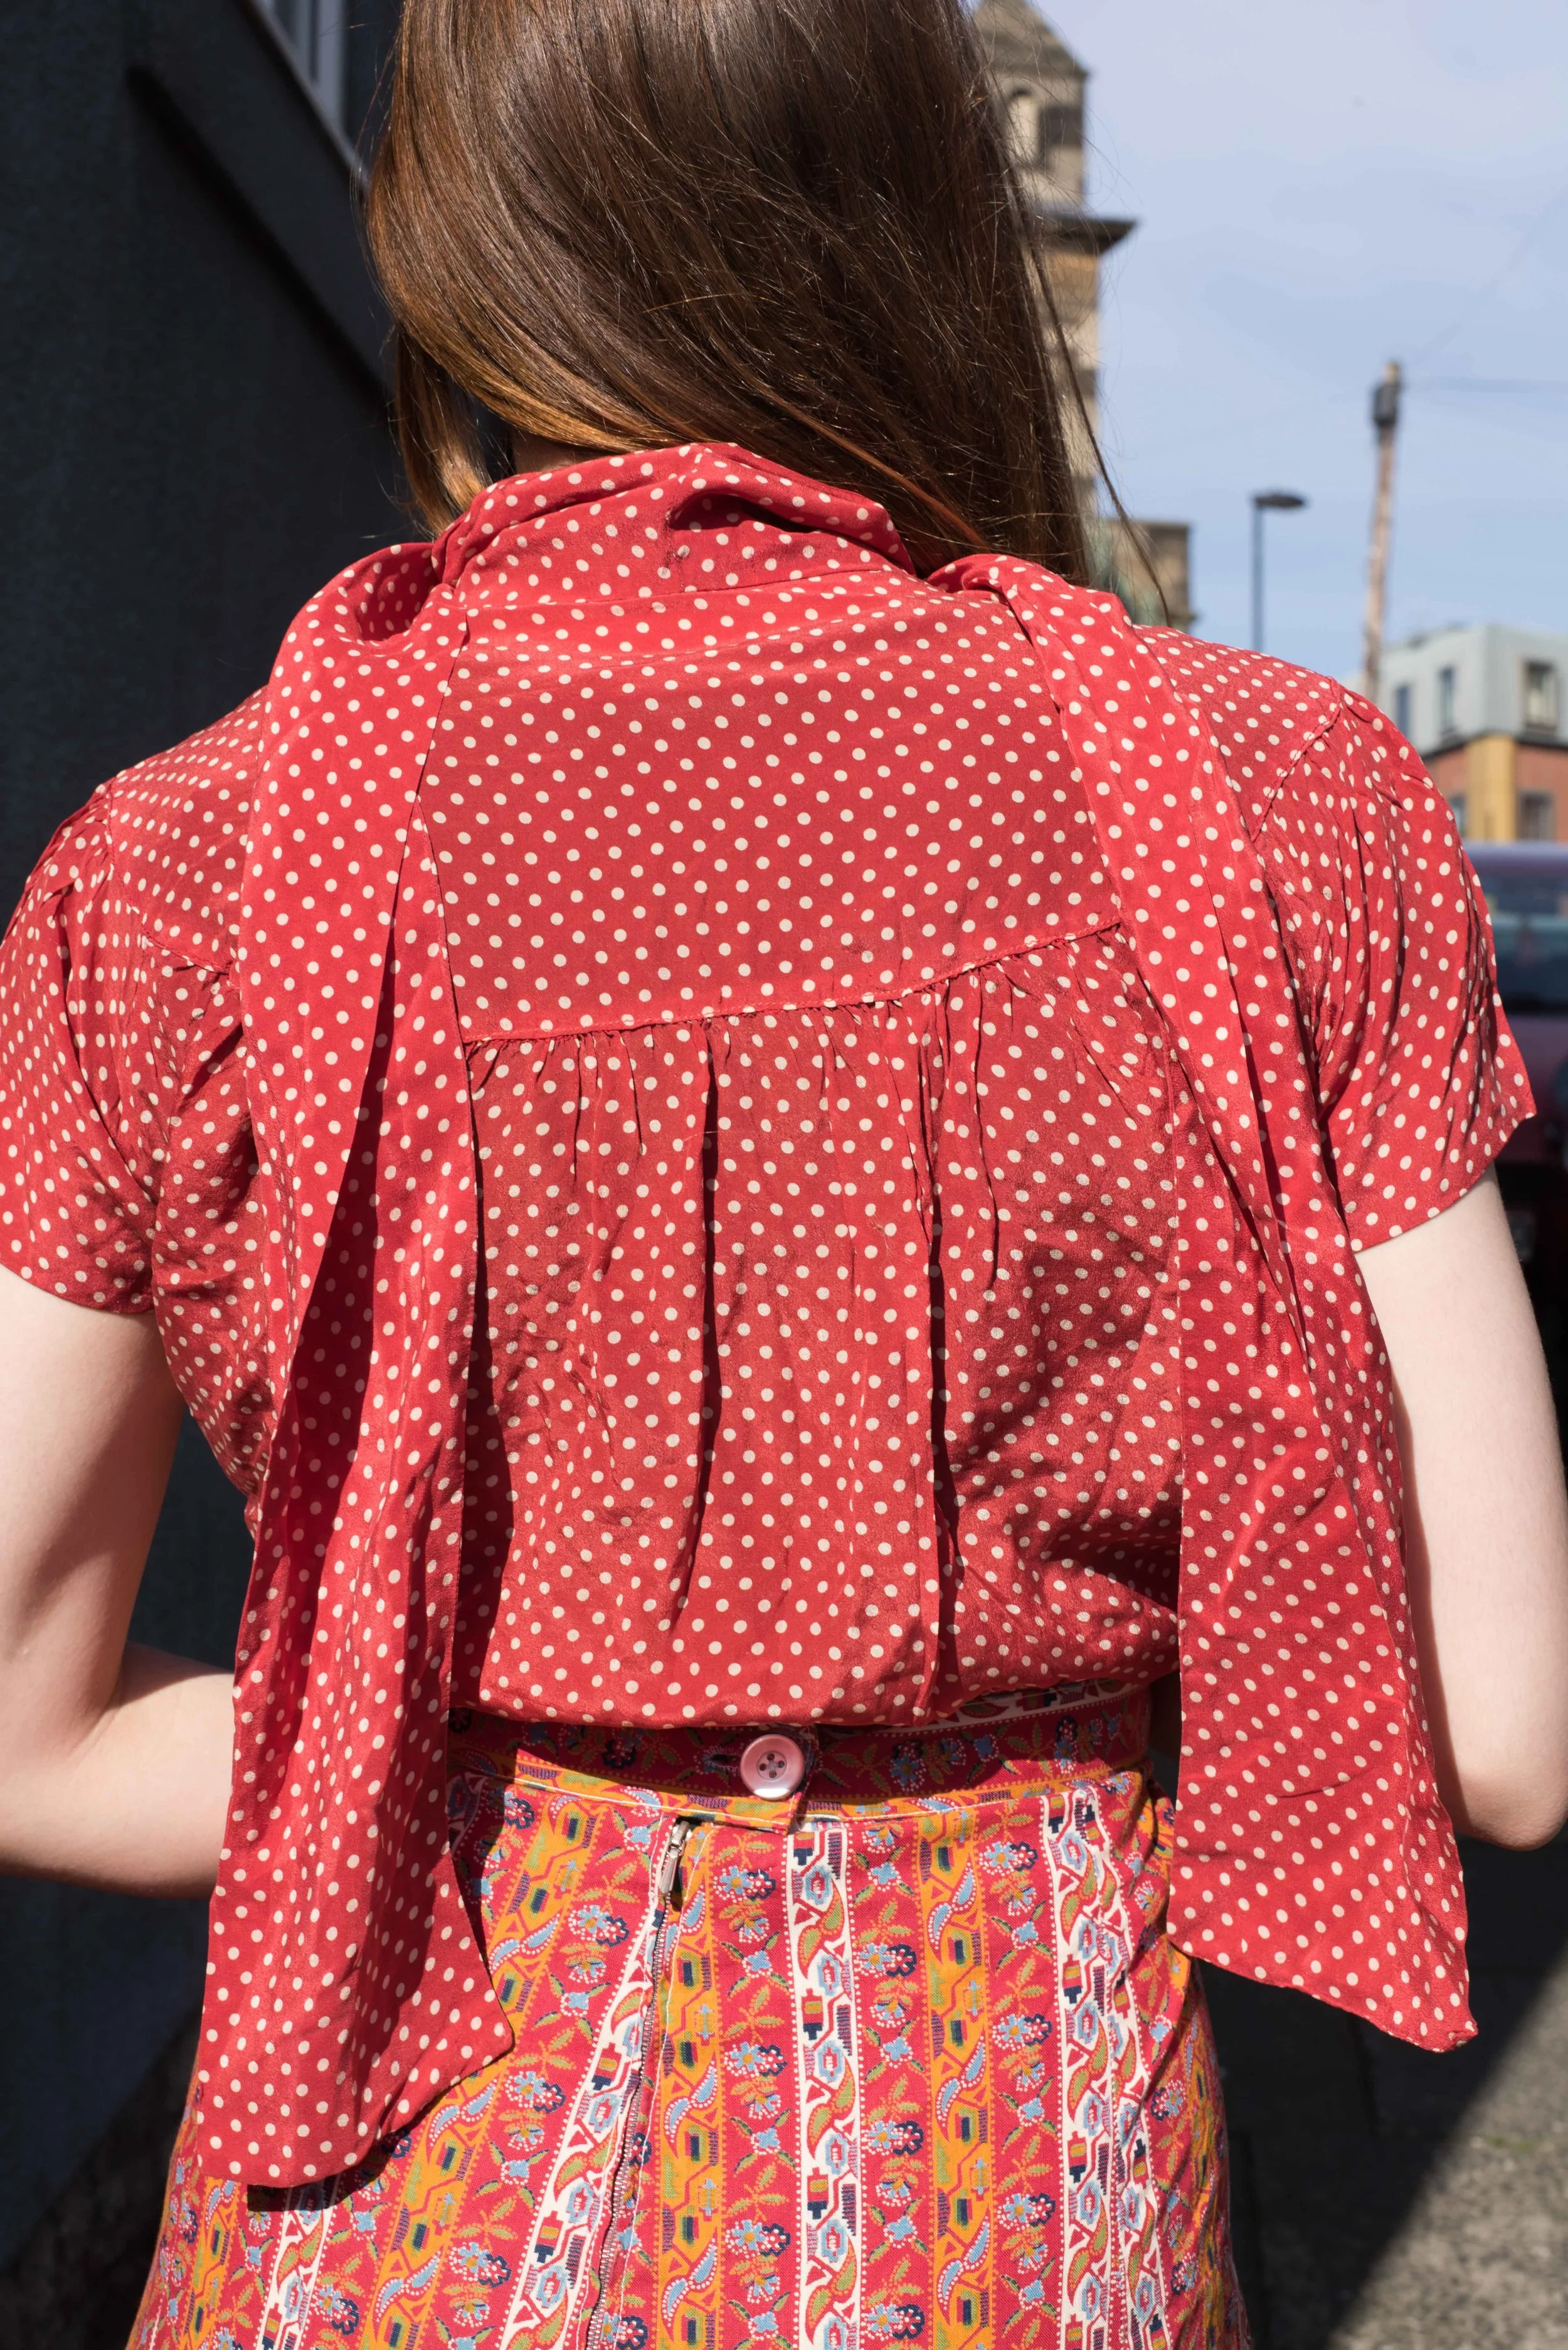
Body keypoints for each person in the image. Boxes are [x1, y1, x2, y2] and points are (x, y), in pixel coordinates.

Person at [1, 1, 1565, 2343]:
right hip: (1026, 2178)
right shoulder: (1279, 806)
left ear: (446, 230)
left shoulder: (181, 870)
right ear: (930, 212)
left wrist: (447, 1751)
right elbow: (1507, 1730)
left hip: (412, 2187)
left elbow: (18, 1724)